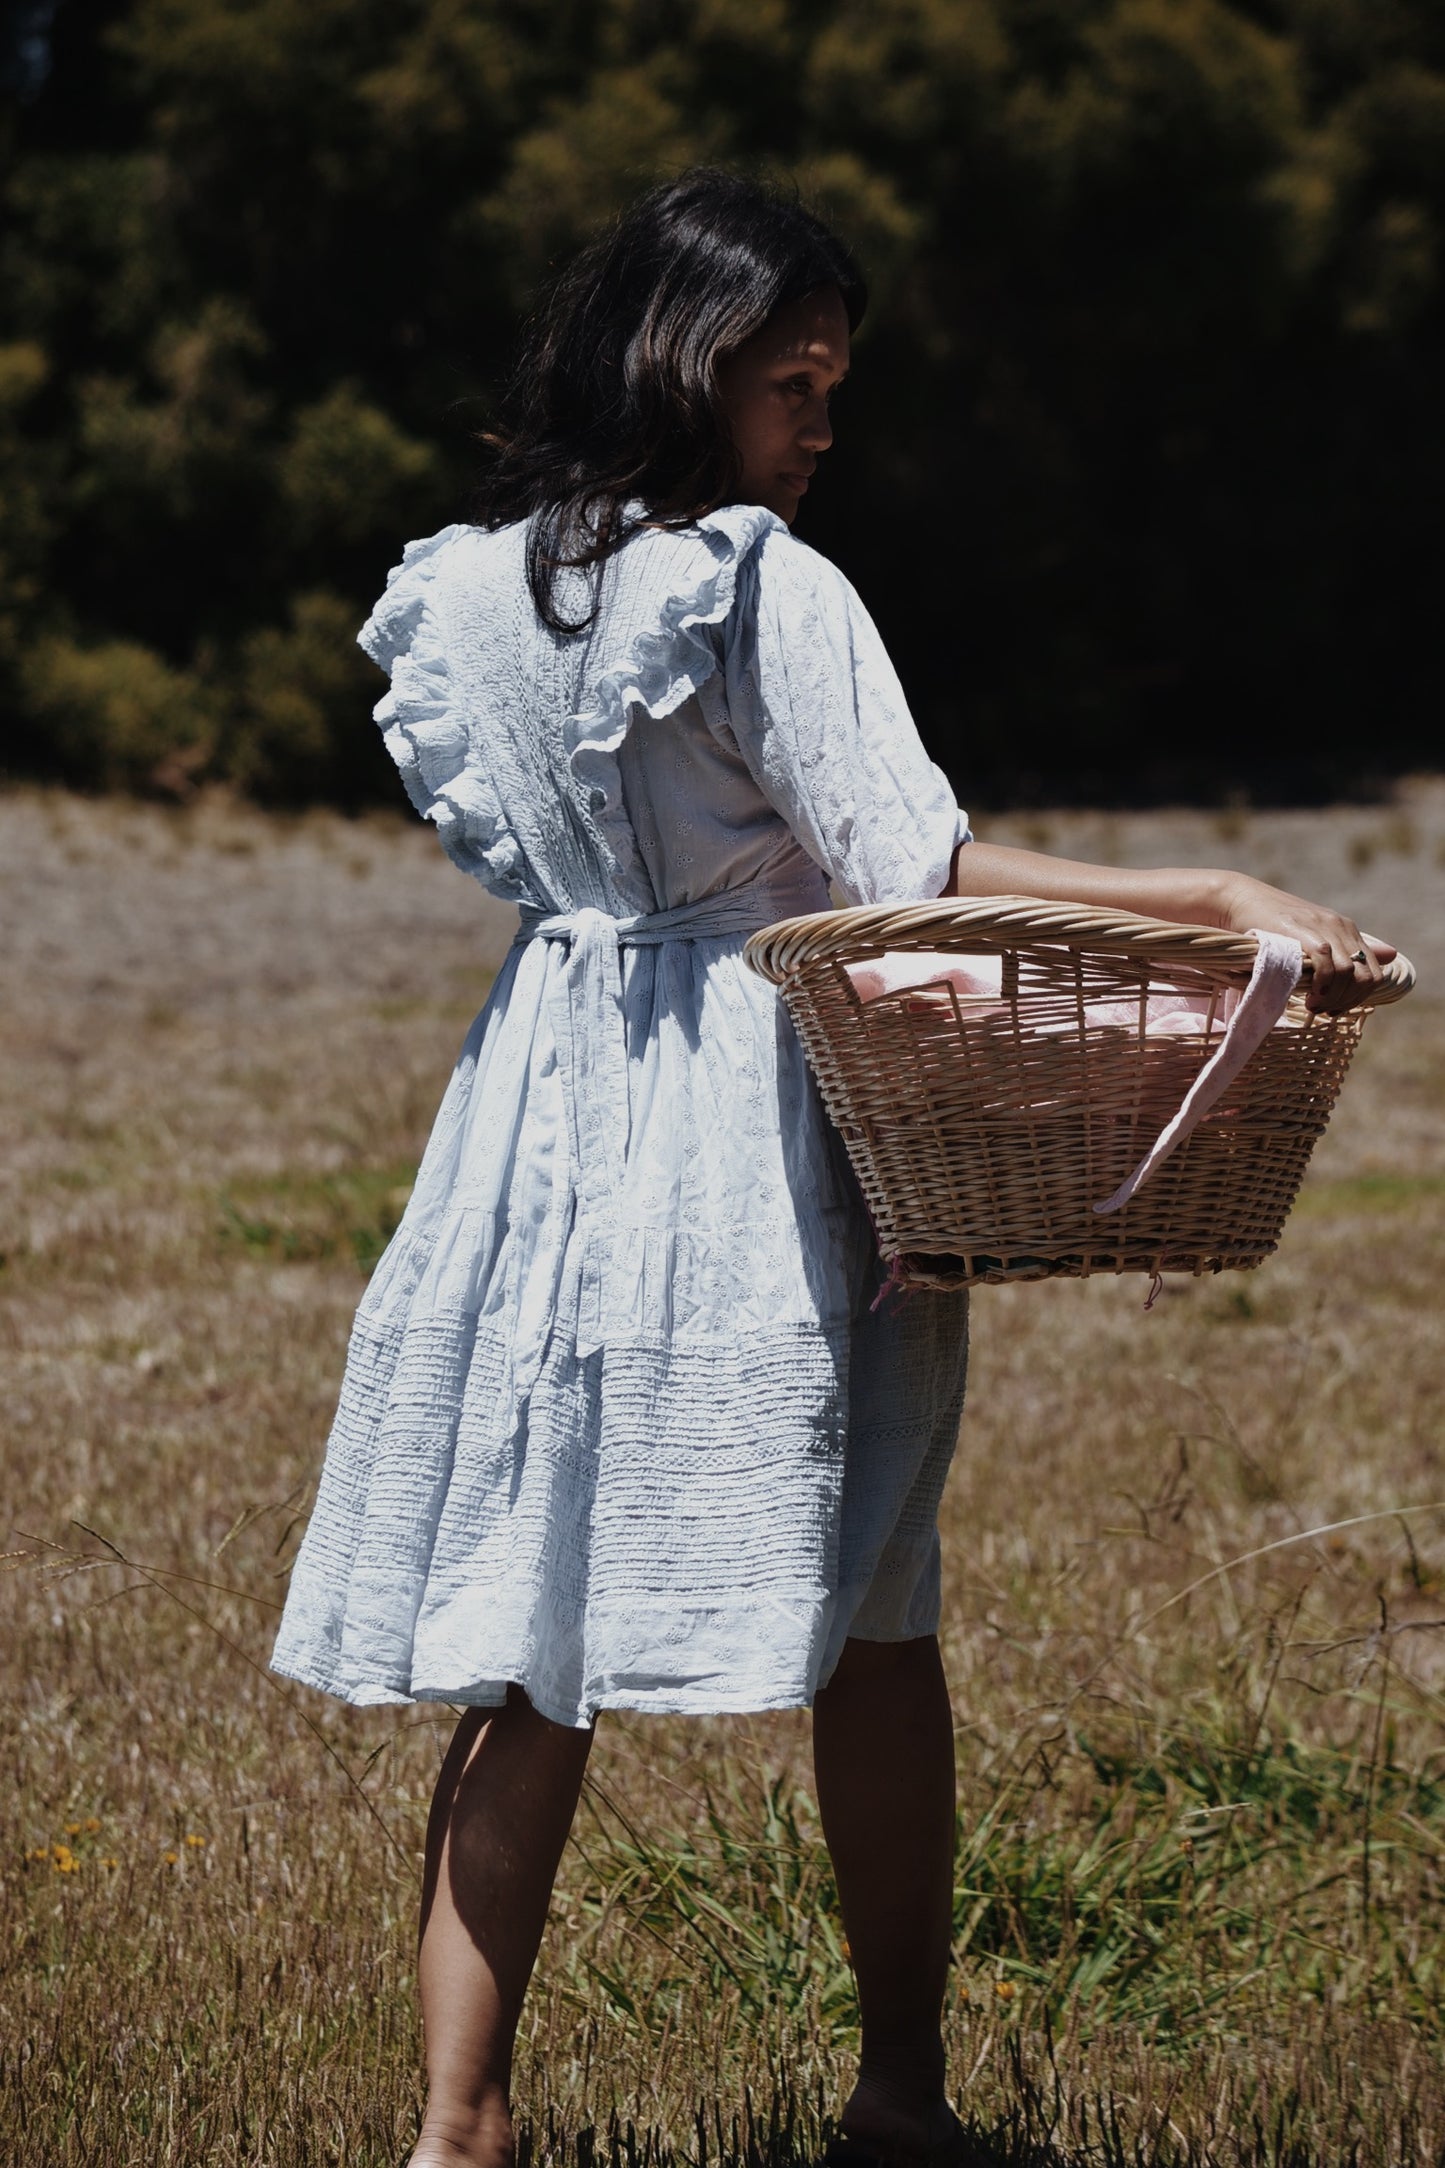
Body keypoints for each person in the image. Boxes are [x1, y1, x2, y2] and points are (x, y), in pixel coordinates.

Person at [270, 170, 1395, 2168]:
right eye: (796, 384)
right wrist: (1219, 893)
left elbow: (569, 871)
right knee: (878, 1609)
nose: (820, 429)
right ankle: (897, 2095)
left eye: (829, 388)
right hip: (756, 1125)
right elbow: (917, 869)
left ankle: (457, 2125)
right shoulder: (758, 583)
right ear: (692, 371)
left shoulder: (466, 595)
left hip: (543, 1107)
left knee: (538, 1629)